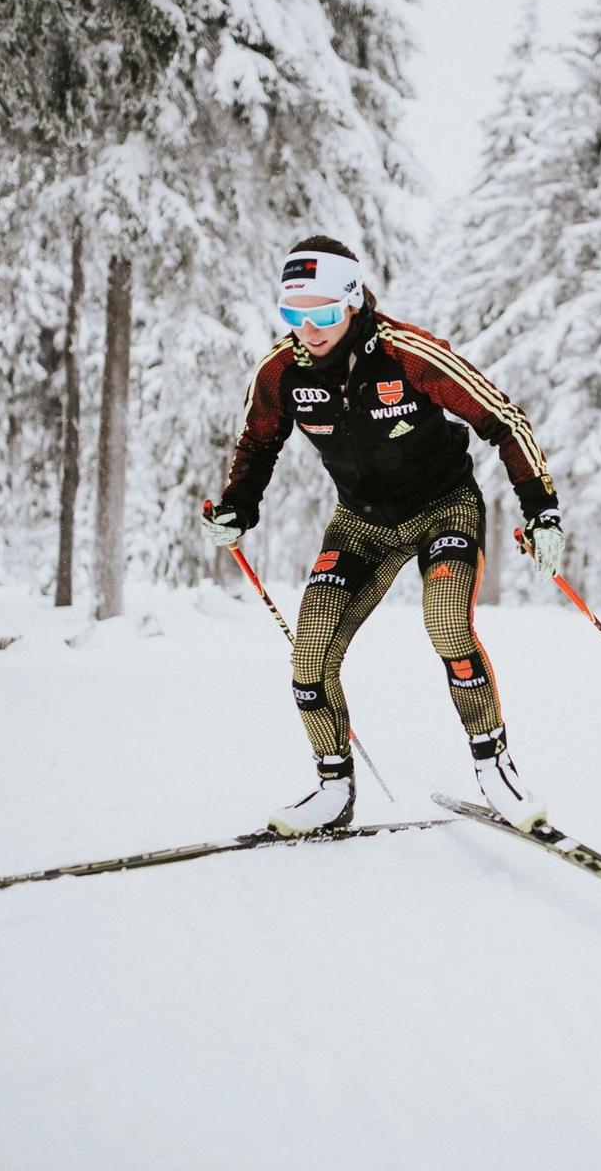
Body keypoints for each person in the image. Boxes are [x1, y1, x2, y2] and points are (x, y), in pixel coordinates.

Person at [201, 236, 564, 834]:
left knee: (446, 622)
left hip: (442, 508)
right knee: (309, 655)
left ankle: (495, 766)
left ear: (351, 301)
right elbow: (258, 442)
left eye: (321, 313)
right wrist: (238, 506)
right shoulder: (281, 371)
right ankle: (332, 789)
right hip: (360, 523)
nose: (307, 329)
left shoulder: (409, 356)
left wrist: (541, 510)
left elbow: (504, 420)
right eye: (293, 313)